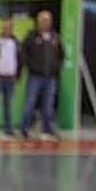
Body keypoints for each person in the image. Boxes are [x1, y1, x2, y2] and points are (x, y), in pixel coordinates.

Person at [19, 9, 64, 141]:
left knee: (48, 105)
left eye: (48, 20)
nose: (45, 23)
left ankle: (47, 130)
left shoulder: (55, 37)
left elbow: (61, 55)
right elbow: (23, 53)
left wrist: (56, 67)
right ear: (38, 22)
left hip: (50, 77)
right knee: (30, 103)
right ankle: (24, 129)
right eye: (43, 20)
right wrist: (31, 66)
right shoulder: (31, 36)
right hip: (35, 76)